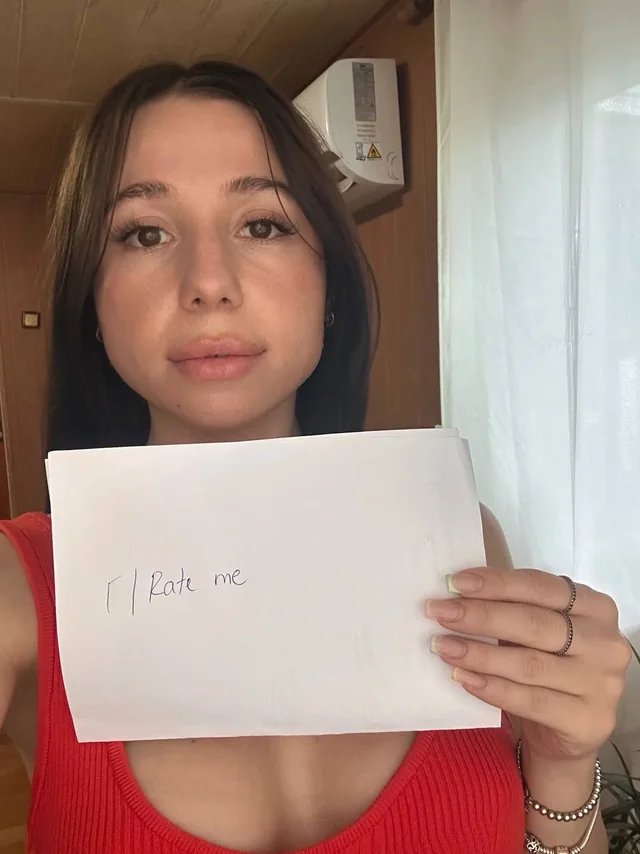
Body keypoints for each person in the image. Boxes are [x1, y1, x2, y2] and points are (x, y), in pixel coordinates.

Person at [0, 61, 629, 854]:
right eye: (144, 233)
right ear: (91, 300)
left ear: (328, 280)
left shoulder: (464, 547)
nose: (209, 282)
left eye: (263, 225)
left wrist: (562, 765)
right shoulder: (21, 590)